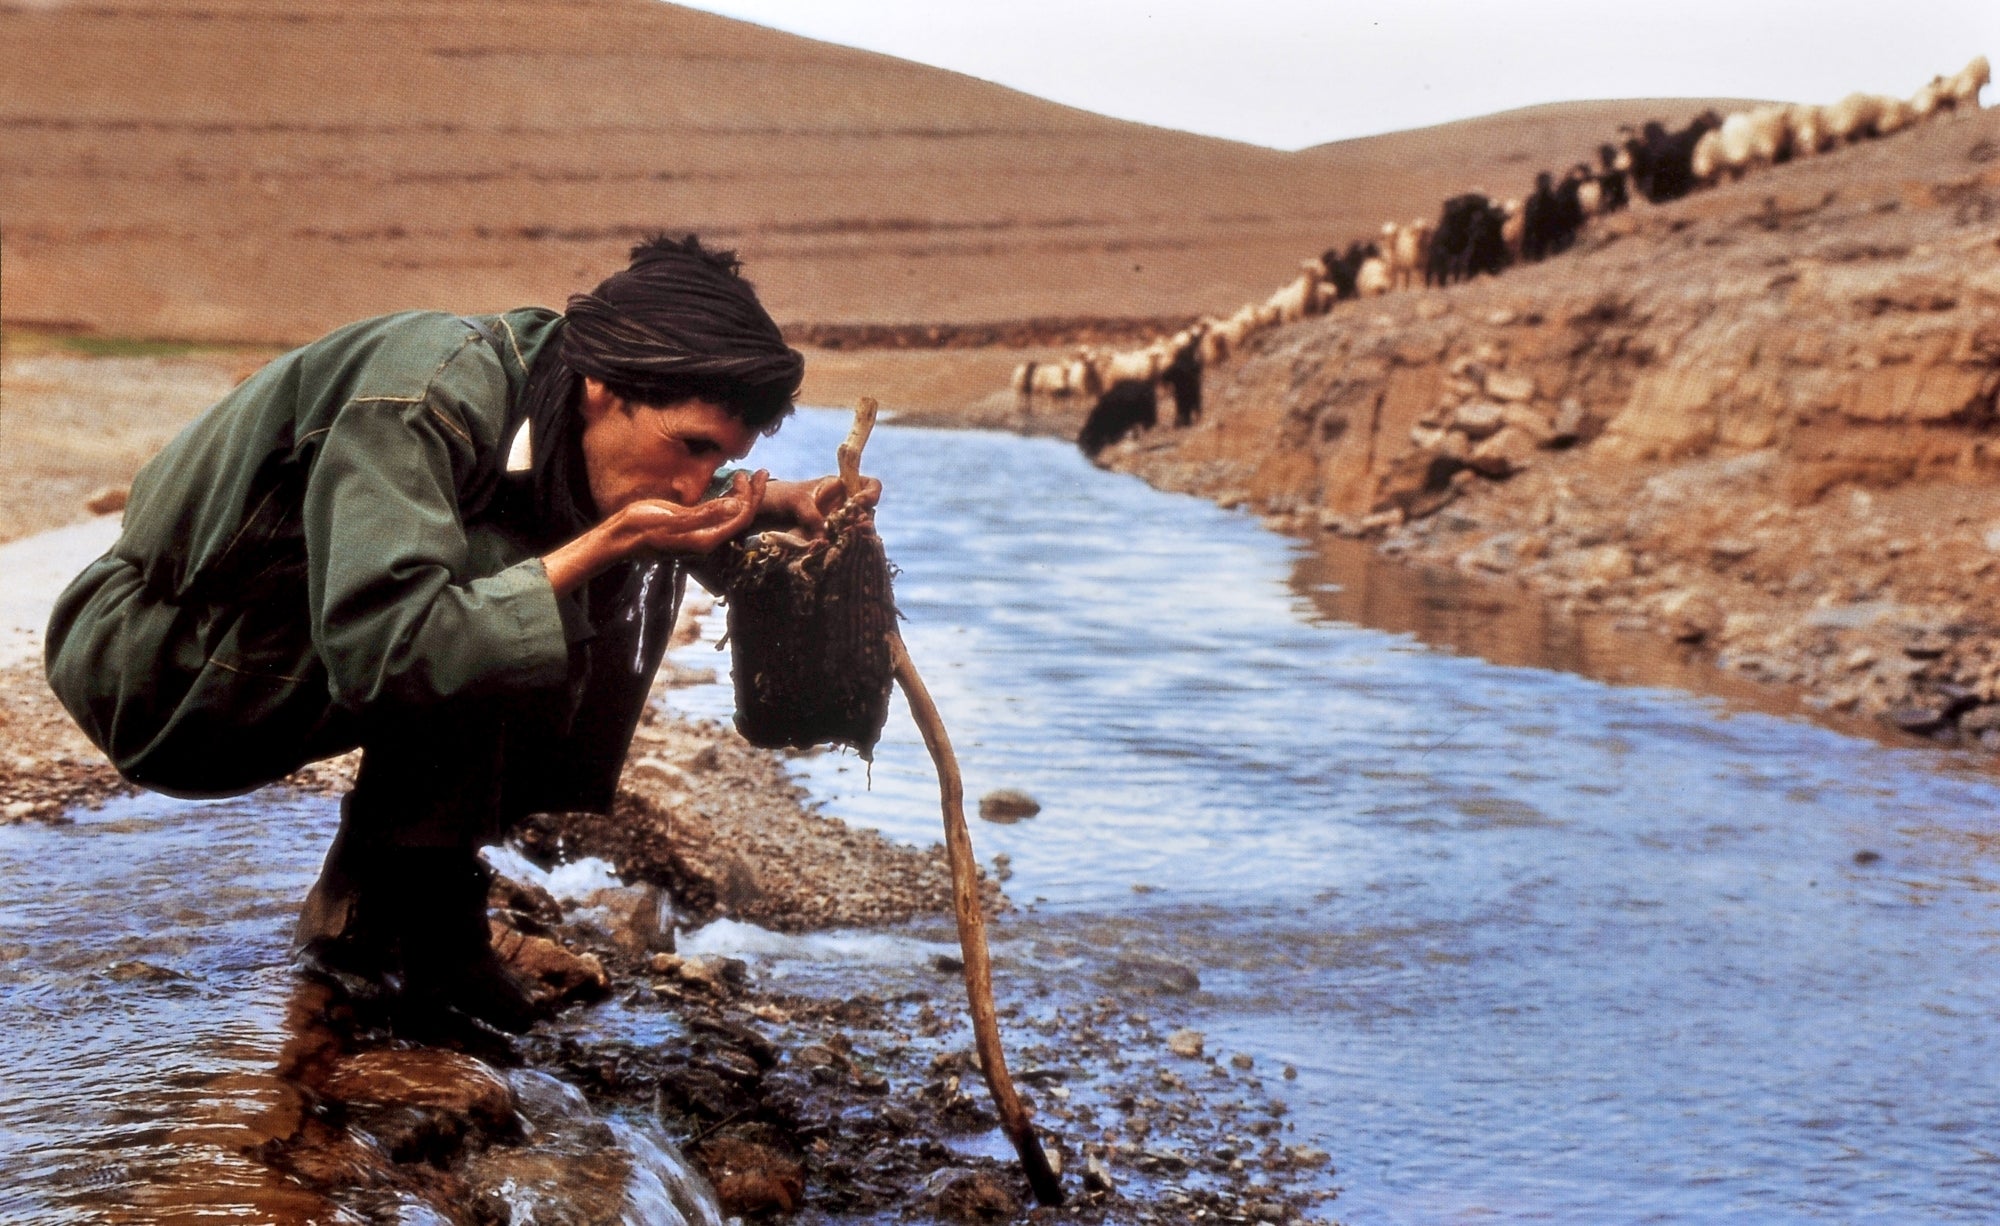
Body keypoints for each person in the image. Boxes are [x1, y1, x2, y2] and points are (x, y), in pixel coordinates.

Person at [44, 234, 878, 1033]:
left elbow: (626, 480)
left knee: (564, 555)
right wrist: (606, 545)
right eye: (691, 447)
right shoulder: (421, 398)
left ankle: (416, 910)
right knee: (529, 566)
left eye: (719, 458)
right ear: (603, 384)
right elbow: (386, 648)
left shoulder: (558, 381)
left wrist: (774, 502)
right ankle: (389, 919)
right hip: (154, 665)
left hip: (255, 639)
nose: (699, 481)